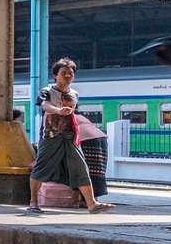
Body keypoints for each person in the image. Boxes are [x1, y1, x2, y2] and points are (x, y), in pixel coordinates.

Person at [26, 58, 113, 214]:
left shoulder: (74, 94)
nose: (68, 75)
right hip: (50, 135)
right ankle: (33, 202)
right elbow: (44, 105)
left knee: (81, 167)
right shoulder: (47, 91)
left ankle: (92, 203)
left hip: (71, 136)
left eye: (71, 73)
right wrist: (58, 110)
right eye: (64, 73)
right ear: (55, 75)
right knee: (41, 168)